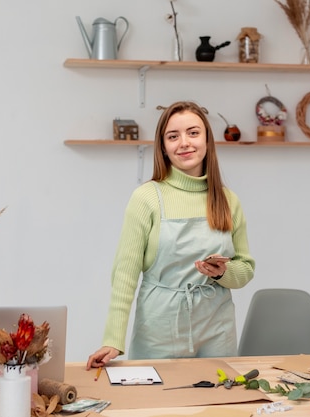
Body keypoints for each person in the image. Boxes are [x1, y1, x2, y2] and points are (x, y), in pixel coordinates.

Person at [86, 101, 255, 369]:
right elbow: (125, 274)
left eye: (193, 133)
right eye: (173, 136)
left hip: (217, 330)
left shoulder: (228, 200)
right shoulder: (146, 198)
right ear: (163, 147)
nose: (184, 143)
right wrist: (112, 339)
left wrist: (222, 273)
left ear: (207, 140)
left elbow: (245, 269)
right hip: (158, 329)